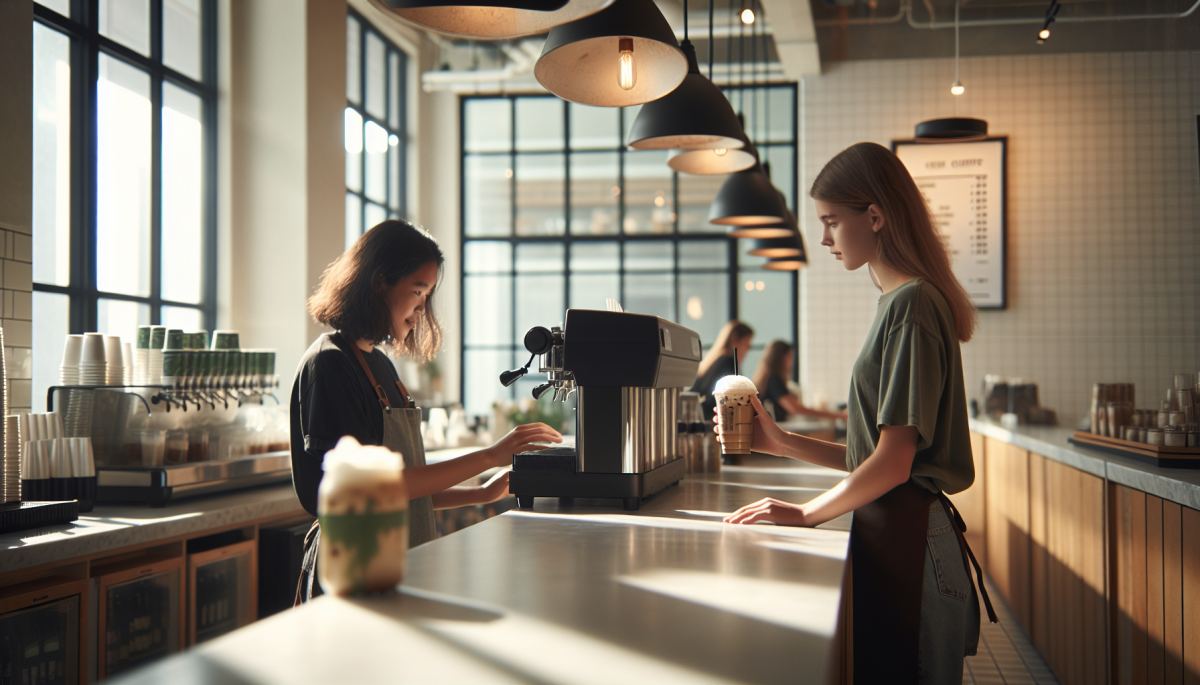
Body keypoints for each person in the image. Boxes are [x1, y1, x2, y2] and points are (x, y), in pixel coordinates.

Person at [719, 143, 996, 684]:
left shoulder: (913, 304)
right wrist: (779, 441)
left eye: (830, 221)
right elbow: (872, 456)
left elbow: (893, 465)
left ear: (874, 216)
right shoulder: (899, 302)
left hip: (913, 541)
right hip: (899, 534)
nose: (823, 238)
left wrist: (804, 514)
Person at [290, 219, 561, 601]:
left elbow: (403, 491)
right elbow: (364, 491)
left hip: (399, 561)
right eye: (417, 292)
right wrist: (489, 455)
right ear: (379, 281)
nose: (420, 310)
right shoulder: (330, 365)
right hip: (353, 567)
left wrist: (480, 494)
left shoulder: (380, 365)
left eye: (426, 297)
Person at [751, 340, 845, 423]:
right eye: (790, 357)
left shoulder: (768, 378)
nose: (791, 362)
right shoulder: (773, 380)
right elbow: (795, 408)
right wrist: (837, 415)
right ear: (783, 358)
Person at [690, 320, 754, 417]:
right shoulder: (728, 363)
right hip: (712, 420)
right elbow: (732, 400)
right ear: (736, 341)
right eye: (747, 345)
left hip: (698, 419)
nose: (748, 350)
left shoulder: (715, 361)